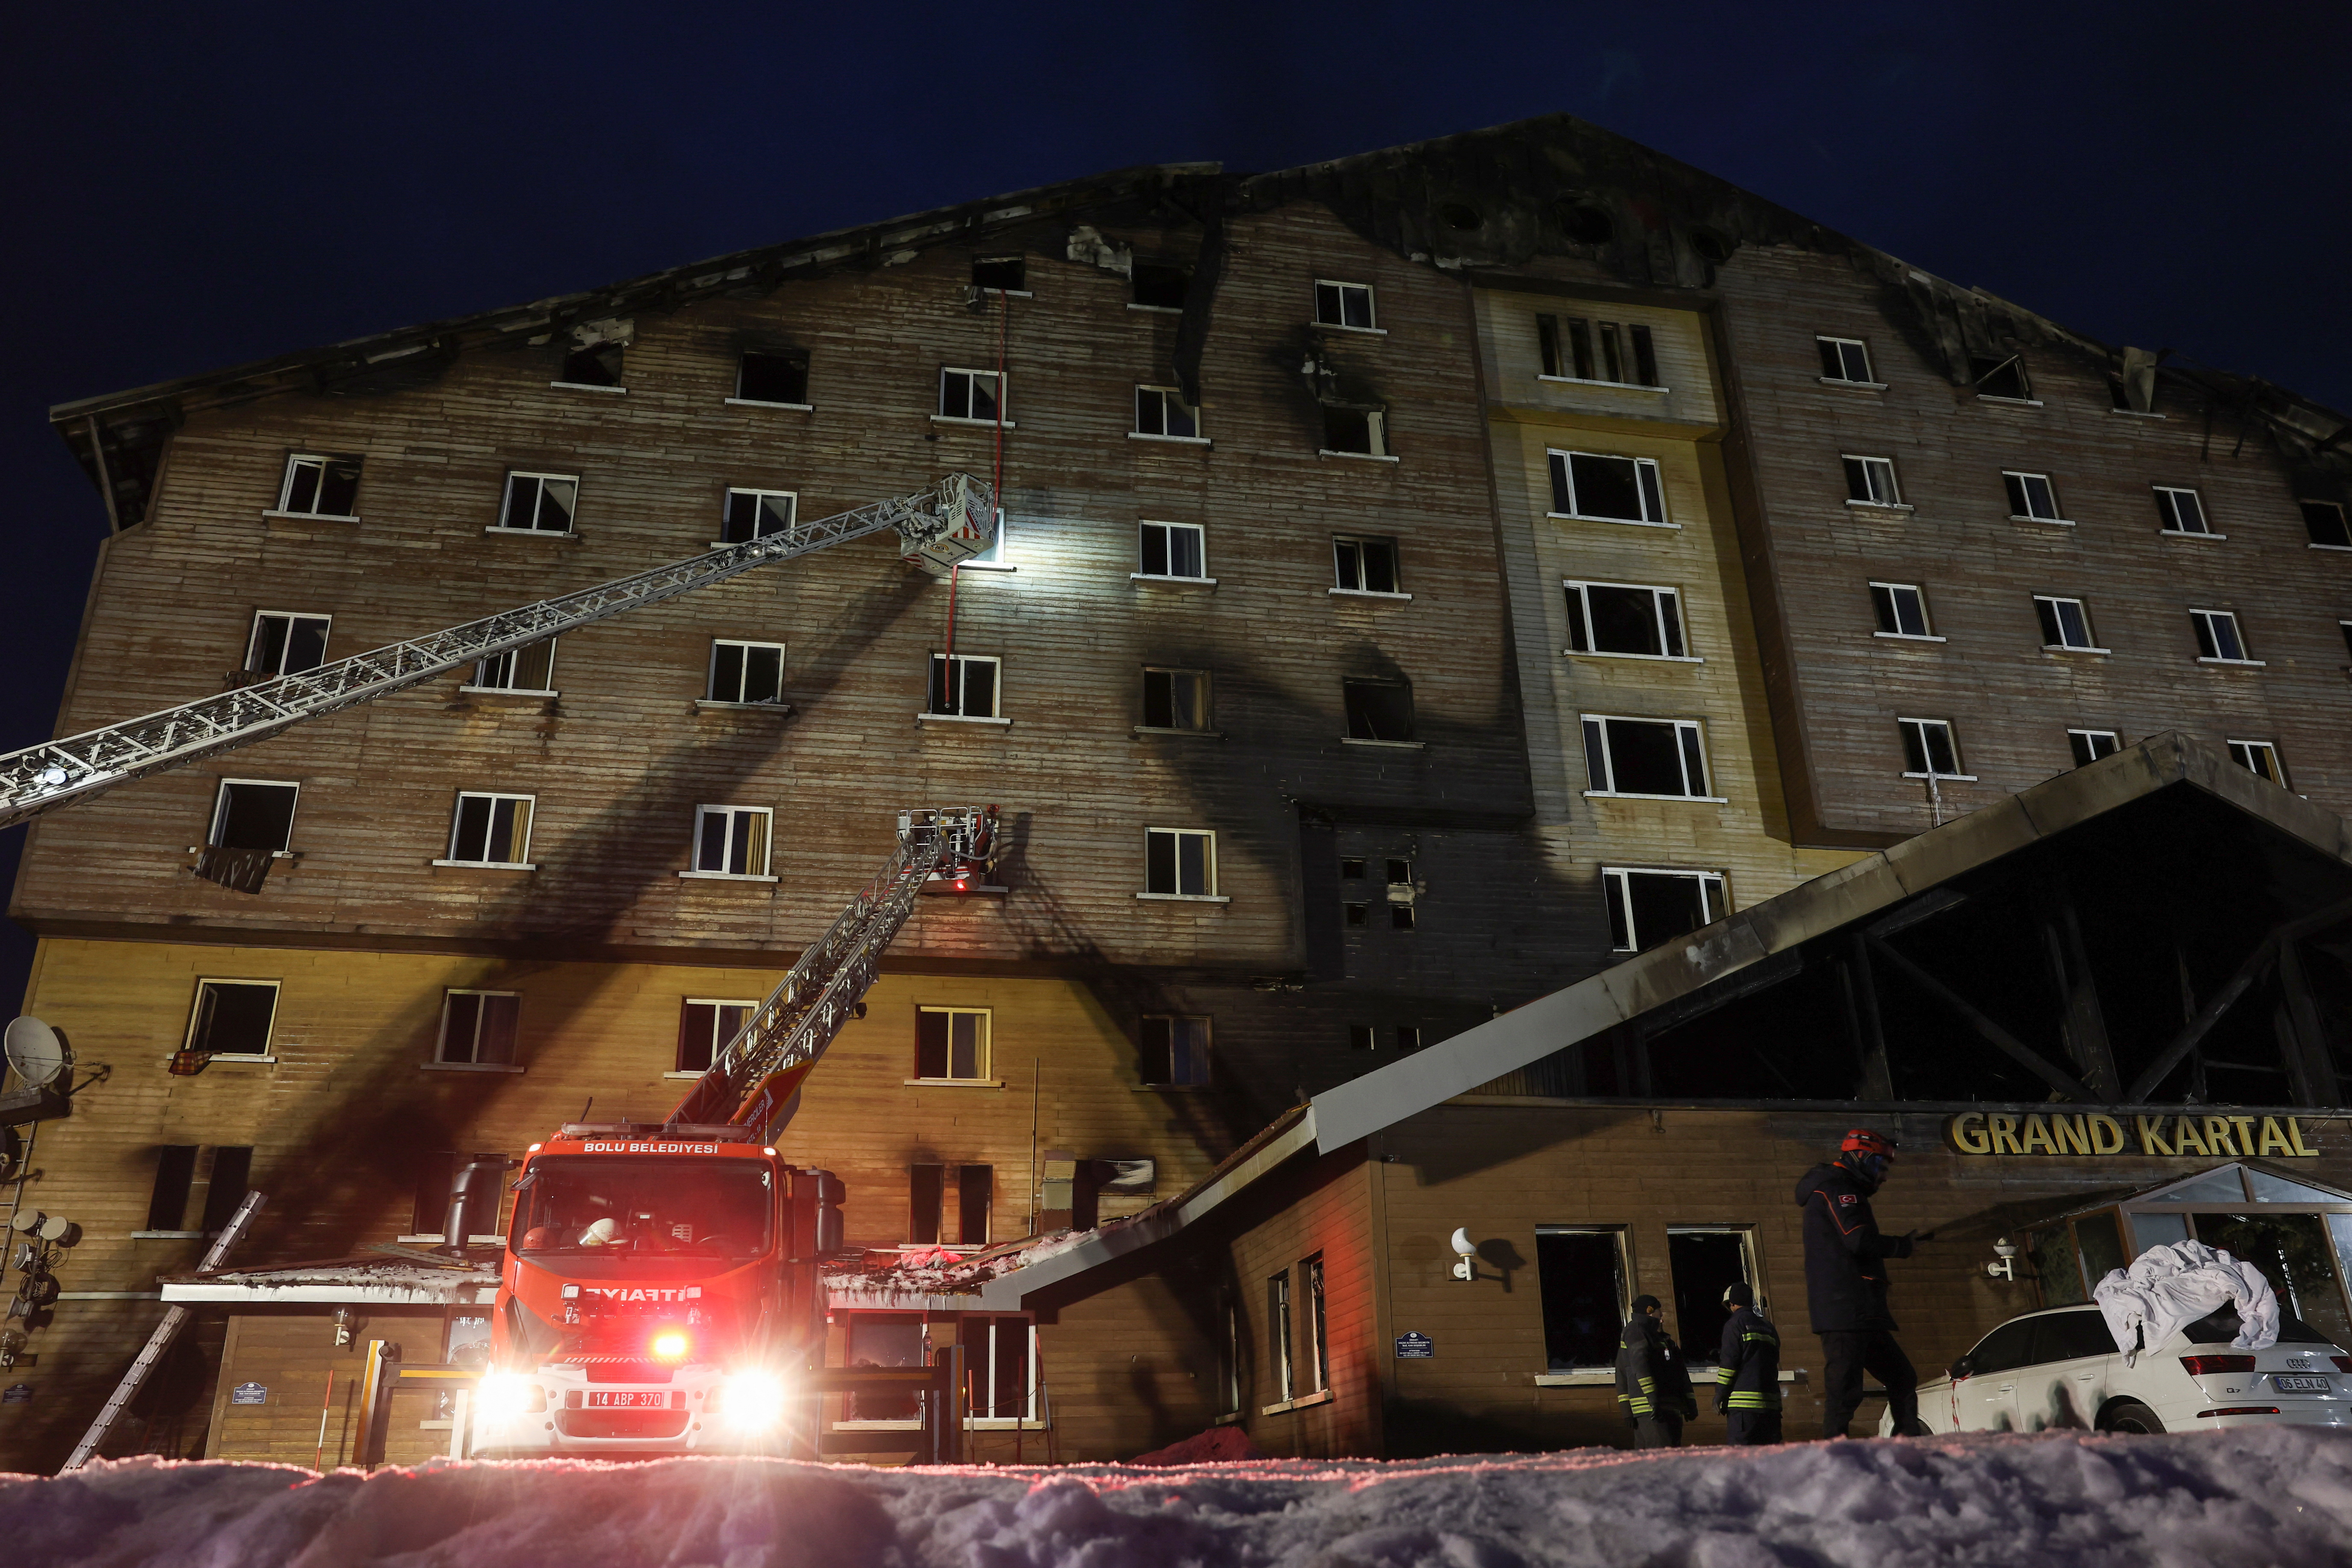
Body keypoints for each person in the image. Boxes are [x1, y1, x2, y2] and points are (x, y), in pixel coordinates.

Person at [1796, 1128, 1926, 1438]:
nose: (1883, 1177)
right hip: (1847, 1309)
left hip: (1861, 1310)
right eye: (1881, 1166)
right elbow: (1857, 1239)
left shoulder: (1836, 1188)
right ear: (1862, 1158)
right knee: (1845, 1390)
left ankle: (1908, 1444)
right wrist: (1901, 1247)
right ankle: (1835, 1455)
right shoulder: (1837, 1189)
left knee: (1902, 1377)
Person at [1614, 1294, 1696, 1448]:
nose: (1662, 1317)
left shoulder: (1663, 1340)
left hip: (1669, 1407)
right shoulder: (1636, 1332)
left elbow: (1679, 1374)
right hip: (1651, 1409)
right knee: (1661, 1456)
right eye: (1660, 1311)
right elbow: (1631, 1372)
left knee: (1664, 1455)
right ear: (1650, 1311)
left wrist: (1690, 1403)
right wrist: (1646, 1402)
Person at [1714, 1281, 1782, 1445]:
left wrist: (1720, 1395)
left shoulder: (1735, 1325)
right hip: (1771, 1406)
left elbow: (1729, 1364)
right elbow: (1773, 1360)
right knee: (1770, 1460)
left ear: (1732, 1304)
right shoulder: (1768, 1327)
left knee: (1742, 1461)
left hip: (1744, 1410)